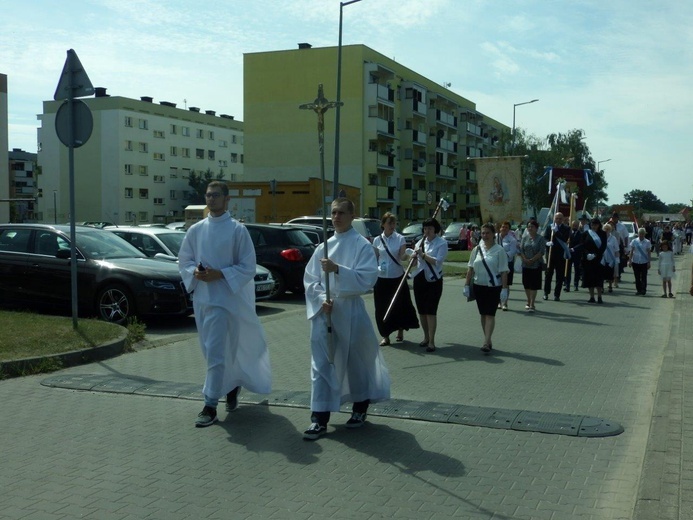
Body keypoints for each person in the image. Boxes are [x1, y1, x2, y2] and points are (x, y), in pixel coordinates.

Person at [178, 181, 272, 428]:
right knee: (211, 351)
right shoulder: (196, 230)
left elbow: (247, 266)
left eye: (216, 195)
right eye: (208, 195)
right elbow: (184, 260)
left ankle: (210, 405)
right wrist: (195, 273)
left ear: (227, 199)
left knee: (217, 352)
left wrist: (219, 274)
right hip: (203, 299)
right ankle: (231, 384)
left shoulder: (237, 230)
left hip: (226, 300)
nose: (211, 199)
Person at [303, 198, 390, 440]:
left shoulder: (361, 245)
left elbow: (367, 278)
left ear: (352, 215)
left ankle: (360, 407)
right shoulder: (324, 247)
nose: (336, 217)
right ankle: (319, 418)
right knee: (321, 364)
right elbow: (310, 279)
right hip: (325, 312)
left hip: (350, 310)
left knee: (356, 362)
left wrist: (339, 269)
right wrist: (322, 298)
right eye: (333, 212)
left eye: (341, 212)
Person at [372, 212, 419, 346]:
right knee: (381, 307)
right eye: (389, 223)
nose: (392, 226)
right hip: (381, 278)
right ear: (383, 225)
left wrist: (409, 255)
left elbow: (402, 256)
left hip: (397, 277)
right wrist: (375, 269)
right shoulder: (377, 240)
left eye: (394, 223)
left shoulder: (399, 238)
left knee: (399, 306)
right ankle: (385, 336)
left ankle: (400, 330)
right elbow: (374, 258)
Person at [464, 223, 509, 353]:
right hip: (479, 286)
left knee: (490, 314)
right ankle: (488, 340)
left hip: (493, 286)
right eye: (483, 233)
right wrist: (466, 285)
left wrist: (504, 289)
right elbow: (470, 268)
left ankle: (485, 341)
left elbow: (504, 271)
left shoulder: (499, 250)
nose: (485, 236)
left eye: (487, 233)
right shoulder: (477, 249)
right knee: (483, 314)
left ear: (493, 234)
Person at [411, 217, 448, 353]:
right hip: (420, 278)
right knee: (421, 310)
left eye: (430, 229)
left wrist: (423, 255)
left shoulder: (441, 243)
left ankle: (432, 341)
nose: (427, 231)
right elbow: (415, 263)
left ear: (435, 230)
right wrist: (413, 257)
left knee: (430, 310)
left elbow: (437, 262)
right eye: (425, 228)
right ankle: (425, 337)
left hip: (434, 280)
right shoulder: (420, 242)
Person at [518, 219, 546, 312]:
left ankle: (532, 304)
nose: (530, 228)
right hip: (525, 265)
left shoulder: (540, 238)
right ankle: (528, 300)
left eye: (532, 227)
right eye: (528, 226)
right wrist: (525, 259)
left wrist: (532, 259)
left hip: (536, 265)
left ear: (536, 228)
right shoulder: (524, 238)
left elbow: (541, 251)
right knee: (526, 284)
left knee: (533, 285)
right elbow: (521, 250)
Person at [543, 212, 571, 301]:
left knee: (559, 276)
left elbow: (565, 239)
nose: (558, 220)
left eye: (560, 218)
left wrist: (557, 232)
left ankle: (557, 294)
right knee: (548, 274)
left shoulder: (567, 228)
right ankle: (546, 293)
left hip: (560, 255)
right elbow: (544, 238)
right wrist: (547, 242)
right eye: (557, 218)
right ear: (554, 219)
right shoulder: (549, 227)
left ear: (563, 219)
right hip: (550, 254)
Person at [582, 218, 608, 303]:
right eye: (592, 224)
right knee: (590, 279)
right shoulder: (586, 233)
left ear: (599, 225)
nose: (594, 226)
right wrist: (587, 254)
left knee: (598, 279)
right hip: (588, 260)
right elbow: (583, 245)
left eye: (596, 224)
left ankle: (599, 297)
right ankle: (592, 297)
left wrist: (595, 254)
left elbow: (603, 246)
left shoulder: (603, 234)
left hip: (598, 259)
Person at [496, 221, 518, 311]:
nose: (504, 228)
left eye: (506, 227)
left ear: (509, 229)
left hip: (507, 263)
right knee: (497, 283)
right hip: (496, 263)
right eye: (503, 227)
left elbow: (513, 252)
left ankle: (505, 303)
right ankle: (498, 302)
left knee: (506, 284)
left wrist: (503, 255)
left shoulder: (512, 239)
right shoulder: (495, 237)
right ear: (500, 228)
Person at [629, 227, 652, 296]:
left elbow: (649, 252)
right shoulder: (634, 241)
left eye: (642, 234)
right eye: (640, 233)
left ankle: (643, 290)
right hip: (635, 261)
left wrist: (649, 262)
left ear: (644, 234)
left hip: (644, 262)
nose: (641, 235)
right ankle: (638, 290)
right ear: (638, 234)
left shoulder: (647, 242)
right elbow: (631, 251)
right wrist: (629, 260)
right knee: (637, 277)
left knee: (644, 276)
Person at [565, 219, 584, 291]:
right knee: (568, 270)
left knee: (577, 270)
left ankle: (576, 284)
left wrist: (573, 249)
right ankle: (567, 285)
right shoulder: (568, 233)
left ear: (578, 226)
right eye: (573, 225)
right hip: (568, 253)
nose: (574, 226)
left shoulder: (581, 234)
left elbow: (581, 243)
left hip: (577, 253)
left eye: (576, 225)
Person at [602, 223, 620, 293]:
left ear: (610, 230)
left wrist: (617, 259)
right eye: (605, 229)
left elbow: (616, 250)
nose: (606, 230)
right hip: (603, 259)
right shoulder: (601, 238)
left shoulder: (613, 238)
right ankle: (602, 287)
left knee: (610, 274)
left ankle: (610, 286)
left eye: (607, 229)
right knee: (602, 273)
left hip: (611, 259)